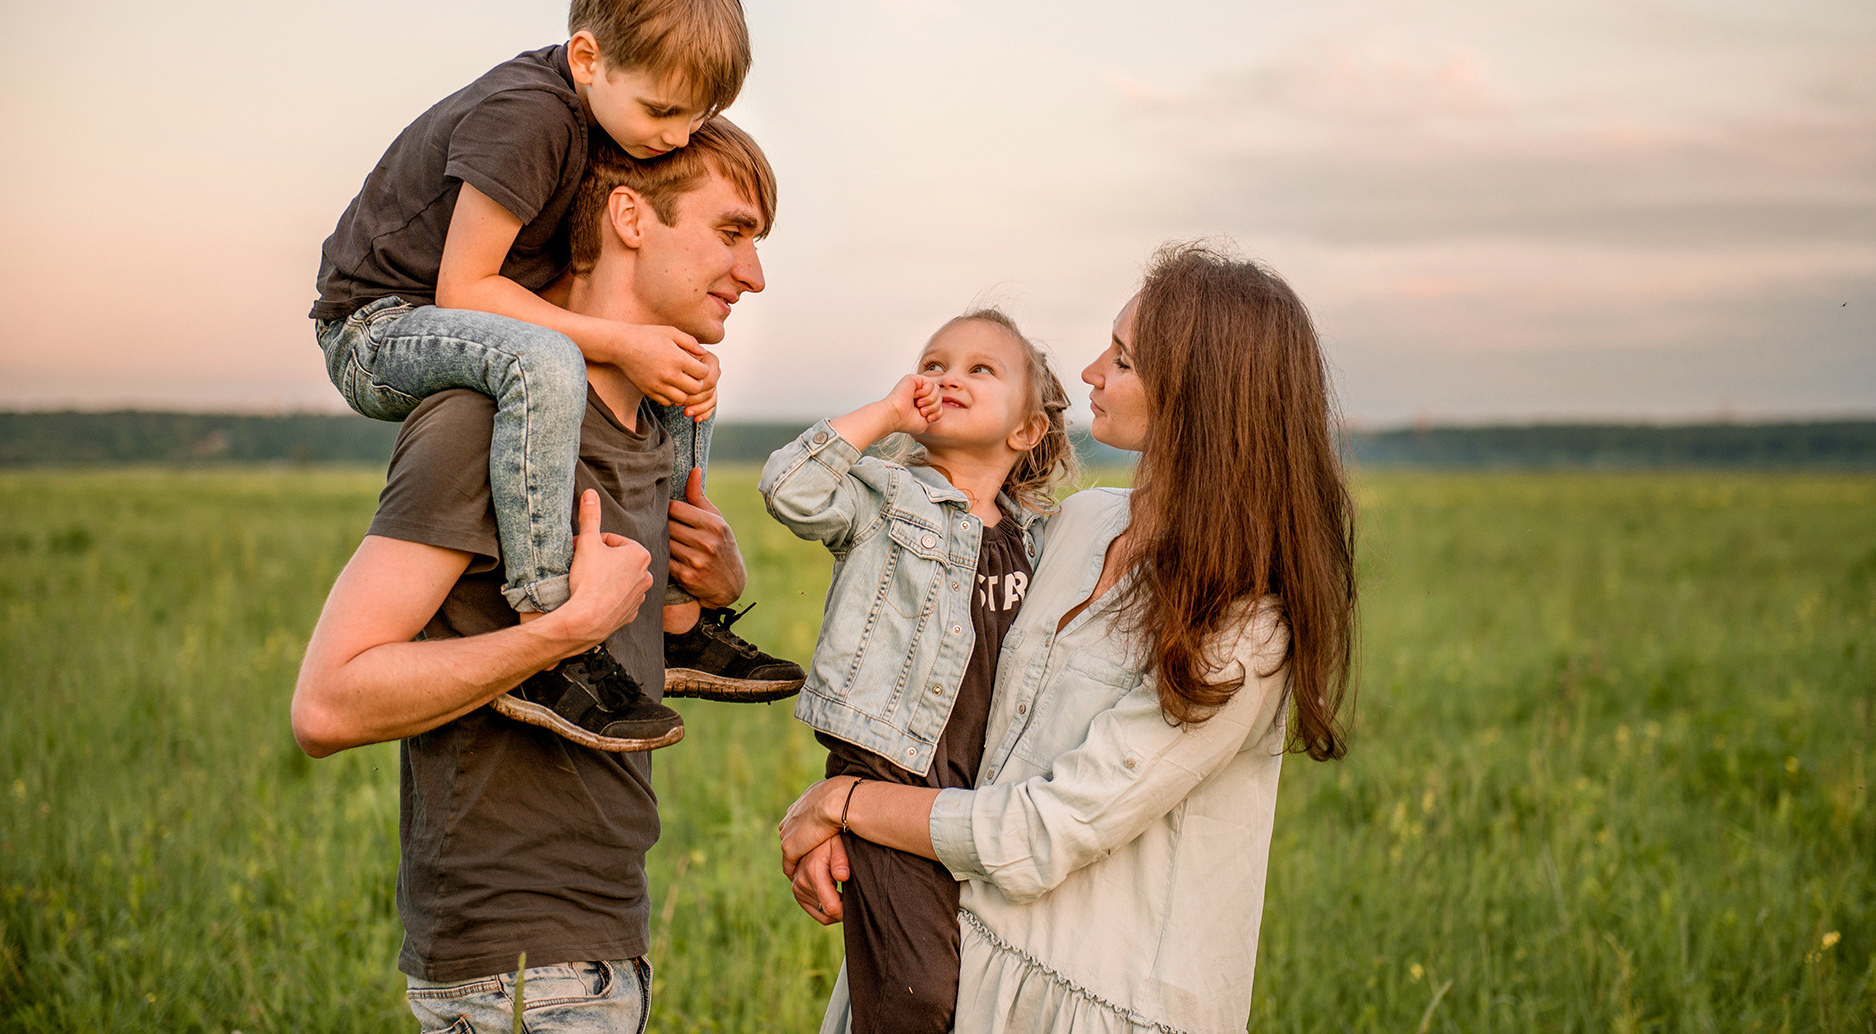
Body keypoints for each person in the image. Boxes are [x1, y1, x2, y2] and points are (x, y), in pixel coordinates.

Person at [778, 244, 1359, 1034]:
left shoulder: (1246, 626)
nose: (1087, 373)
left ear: (1198, 396)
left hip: (1093, 1004)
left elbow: (1039, 832)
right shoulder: (1079, 524)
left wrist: (844, 803)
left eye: (1121, 358)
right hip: (952, 953)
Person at [291, 120, 778, 1031]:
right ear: (629, 216)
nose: (754, 274)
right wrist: (558, 630)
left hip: (605, 949)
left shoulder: (647, 430)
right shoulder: (481, 419)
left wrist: (701, 593)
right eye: (732, 232)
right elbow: (327, 705)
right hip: (516, 973)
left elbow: (620, 655)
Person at [309, 0, 791, 747]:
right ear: (586, 59)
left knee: (681, 375)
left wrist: (648, 351)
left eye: (700, 113)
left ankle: (679, 626)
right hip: (378, 326)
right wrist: (617, 340)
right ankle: (551, 626)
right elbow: (463, 288)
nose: (679, 136)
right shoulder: (528, 117)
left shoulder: (603, 116)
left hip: (442, 314)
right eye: (664, 110)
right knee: (550, 363)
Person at [759, 310, 1076, 1034]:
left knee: (978, 986)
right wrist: (887, 413)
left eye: (979, 369)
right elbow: (790, 488)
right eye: (934, 364)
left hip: (987, 791)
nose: (946, 377)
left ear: (1026, 430)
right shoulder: (886, 497)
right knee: (919, 995)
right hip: (891, 775)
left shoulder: (1036, 536)